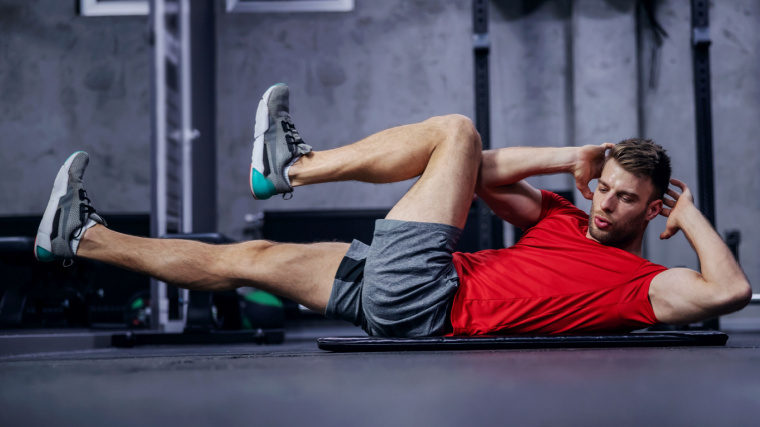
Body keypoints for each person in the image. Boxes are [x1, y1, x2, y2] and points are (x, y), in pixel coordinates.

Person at [34, 84, 752, 337]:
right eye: (603, 187)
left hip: (429, 293)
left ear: (650, 206)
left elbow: (729, 289)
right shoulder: (564, 216)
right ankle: (82, 237)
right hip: (407, 288)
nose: (604, 204)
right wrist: (570, 158)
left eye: (625, 198)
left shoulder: (643, 288)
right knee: (242, 261)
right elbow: (478, 176)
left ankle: (294, 168)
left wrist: (685, 214)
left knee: (454, 130)